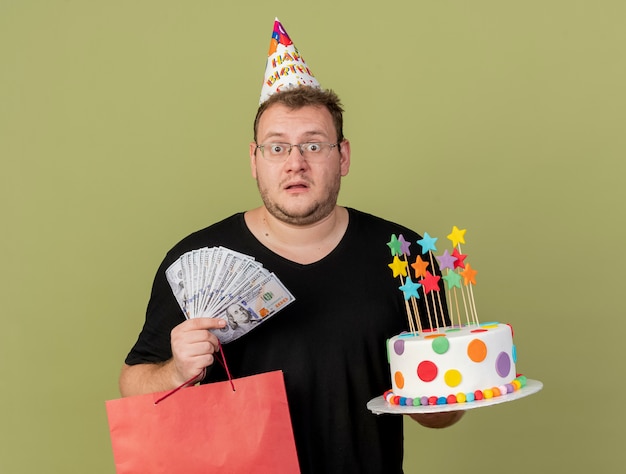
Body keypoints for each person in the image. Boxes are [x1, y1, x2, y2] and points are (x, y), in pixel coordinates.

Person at [119, 85, 463, 473]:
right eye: (277, 147)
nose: (295, 162)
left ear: (343, 156)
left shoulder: (404, 256)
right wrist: (178, 372)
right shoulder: (197, 259)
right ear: (254, 159)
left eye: (314, 146)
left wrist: (434, 395)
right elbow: (134, 386)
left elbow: (442, 415)